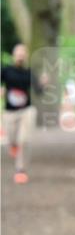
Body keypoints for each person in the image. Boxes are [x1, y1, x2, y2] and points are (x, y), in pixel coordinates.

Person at [1, 44, 40, 184]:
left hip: (26, 110)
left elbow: (39, 91)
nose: (21, 56)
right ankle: (13, 145)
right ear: (13, 55)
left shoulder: (29, 72)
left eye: (23, 53)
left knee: (24, 140)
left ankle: (20, 170)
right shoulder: (6, 70)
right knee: (12, 139)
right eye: (18, 53)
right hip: (9, 112)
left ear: (26, 56)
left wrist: (44, 83)